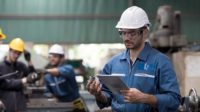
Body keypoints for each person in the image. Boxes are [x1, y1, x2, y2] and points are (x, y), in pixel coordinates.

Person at [86, 6, 181, 112]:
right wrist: (98, 94)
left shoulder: (161, 62)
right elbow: (107, 98)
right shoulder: (113, 64)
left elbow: (174, 100)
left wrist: (144, 98)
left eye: (132, 33)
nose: (126, 38)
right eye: (123, 33)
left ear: (144, 32)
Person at [42, 44, 87, 112]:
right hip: (61, 104)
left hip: (76, 102)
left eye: (55, 56)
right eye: (50, 56)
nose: (52, 58)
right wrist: (52, 97)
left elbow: (58, 71)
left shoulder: (68, 69)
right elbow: (47, 92)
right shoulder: (48, 76)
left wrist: (44, 71)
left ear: (62, 58)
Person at [0, 38, 40, 112]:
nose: (16, 56)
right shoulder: (1, 67)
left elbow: (34, 77)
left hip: (20, 106)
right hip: (6, 106)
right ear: (9, 50)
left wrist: (29, 61)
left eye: (19, 53)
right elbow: (6, 84)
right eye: (15, 52)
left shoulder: (21, 66)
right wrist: (24, 80)